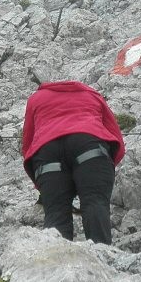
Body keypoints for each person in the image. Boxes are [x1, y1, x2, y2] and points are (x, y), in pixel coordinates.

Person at [21, 81, 125, 245]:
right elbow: (114, 132)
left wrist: (40, 182)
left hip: (47, 153)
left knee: (56, 211)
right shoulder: (92, 95)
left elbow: (28, 141)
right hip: (90, 147)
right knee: (94, 202)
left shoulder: (36, 98)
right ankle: (100, 256)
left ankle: (58, 264)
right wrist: (106, 167)